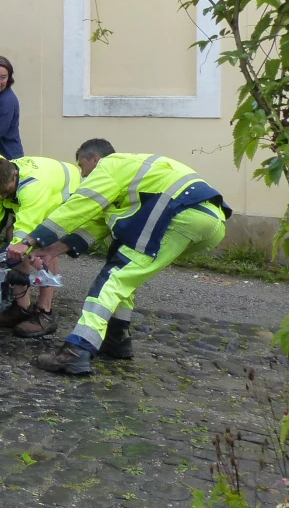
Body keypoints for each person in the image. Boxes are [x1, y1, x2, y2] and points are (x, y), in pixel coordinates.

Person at [26, 139, 232, 375]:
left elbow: (79, 206)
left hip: (180, 213)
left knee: (114, 278)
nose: (84, 177)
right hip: (209, 219)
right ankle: (116, 338)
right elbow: (96, 226)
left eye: (83, 168)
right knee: (125, 268)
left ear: (95, 159)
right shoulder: (132, 177)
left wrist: (32, 239)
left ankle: (76, 350)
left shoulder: (110, 165)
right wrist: (51, 250)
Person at [0, 155, 82, 339]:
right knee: (10, 234)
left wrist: (3, 261)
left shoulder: (32, 187)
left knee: (46, 244)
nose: (2, 197)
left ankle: (44, 313)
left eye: (6, 192)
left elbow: (27, 228)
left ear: (14, 177)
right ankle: (22, 308)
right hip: (42, 195)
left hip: (67, 196)